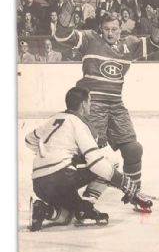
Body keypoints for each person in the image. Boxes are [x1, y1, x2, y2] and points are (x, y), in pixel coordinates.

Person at [54, 0, 159, 212]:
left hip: (116, 104)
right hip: (90, 105)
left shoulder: (130, 44)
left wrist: (158, 24)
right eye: (106, 29)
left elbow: (157, 43)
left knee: (134, 149)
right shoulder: (90, 39)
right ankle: (68, 197)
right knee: (86, 155)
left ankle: (134, 192)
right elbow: (62, 36)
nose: (110, 33)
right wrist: (68, 6)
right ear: (101, 29)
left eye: (114, 29)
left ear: (121, 29)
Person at [25, 87, 143, 231]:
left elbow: (29, 140)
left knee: (66, 216)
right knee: (110, 161)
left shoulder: (53, 119)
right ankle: (87, 206)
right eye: (89, 101)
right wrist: (125, 183)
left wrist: (48, 152)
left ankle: (44, 210)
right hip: (61, 178)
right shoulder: (80, 124)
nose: (90, 105)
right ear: (83, 104)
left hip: (39, 183)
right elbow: (97, 164)